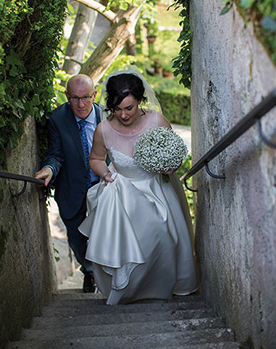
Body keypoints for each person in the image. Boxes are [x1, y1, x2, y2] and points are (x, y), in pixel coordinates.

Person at [79, 71, 198, 305]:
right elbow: (95, 159)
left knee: (162, 238)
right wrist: (105, 174)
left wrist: (169, 167)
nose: (123, 115)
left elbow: (172, 157)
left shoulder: (157, 122)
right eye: (117, 108)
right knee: (125, 244)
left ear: (140, 101)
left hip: (155, 190)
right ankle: (129, 290)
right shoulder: (103, 130)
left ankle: (157, 286)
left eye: (129, 108)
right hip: (121, 191)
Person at [35, 74, 103, 293]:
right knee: (77, 239)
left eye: (85, 97)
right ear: (66, 96)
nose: (80, 104)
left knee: (108, 234)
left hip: (104, 189)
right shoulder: (57, 119)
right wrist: (48, 169)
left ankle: (112, 277)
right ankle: (89, 272)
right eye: (74, 98)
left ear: (94, 94)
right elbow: (55, 154)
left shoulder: (108, 117)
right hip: (71, 190)